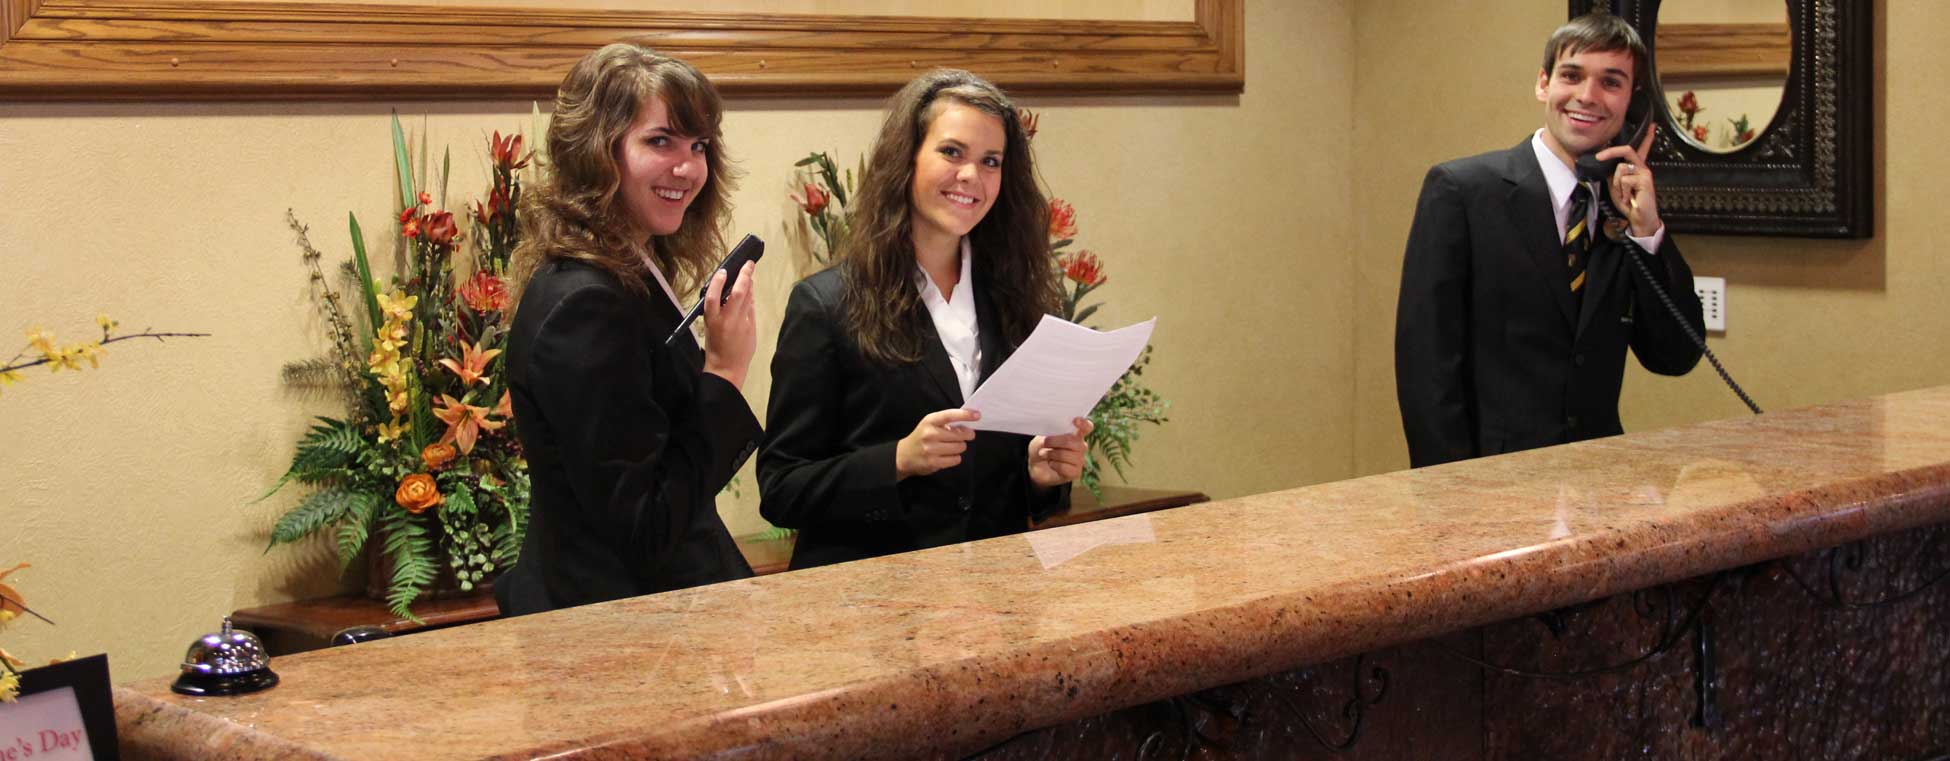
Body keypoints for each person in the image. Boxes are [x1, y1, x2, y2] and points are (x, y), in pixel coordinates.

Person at [758, 69, 1091, 570]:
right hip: (868, 610)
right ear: (906, 159)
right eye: (952, 152)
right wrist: (898, 460)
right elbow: (782, 490)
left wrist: (1042, 477)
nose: (970, 177)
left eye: (990, 161)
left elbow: (1003, 487)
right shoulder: (825, 305)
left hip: (992, 602)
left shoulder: (1018, 301)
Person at [495, 43, 760, 616]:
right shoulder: (586, 305)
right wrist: (724, 373)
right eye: (659, 141)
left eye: (698, 146)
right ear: (596, 151)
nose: (687, 168)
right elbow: (646, 526)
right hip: (609, 628)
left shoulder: (626, 269)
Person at [1395, 12, 1704, 469]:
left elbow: (1674, 356)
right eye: (1572, 75)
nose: (1587, 96)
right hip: (1490, 487)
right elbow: (1426, 369)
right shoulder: (1462, 191)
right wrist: (1450, 501)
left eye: (1611, 82)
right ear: (1543, 83)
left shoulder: (1625, 212)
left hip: (1599, 487)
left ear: (1631, 105)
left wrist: (1647, 232)